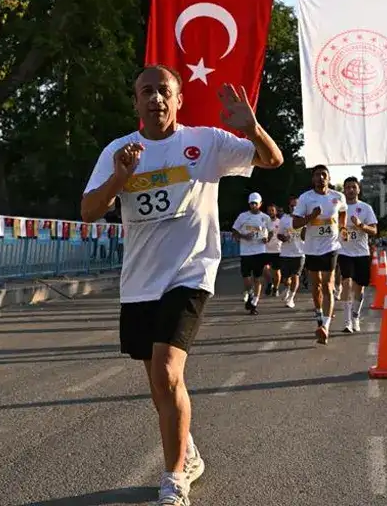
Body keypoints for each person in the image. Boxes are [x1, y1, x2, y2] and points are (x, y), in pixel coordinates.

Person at [80, 65, 283, 506]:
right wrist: (120, 178)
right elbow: (89, 211)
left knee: (168, 370)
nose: (155, 98)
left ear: (178, 99)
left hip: (190, 273)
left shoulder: (207, 142)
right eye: (146, 91)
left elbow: (271, 160)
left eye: (163, 91)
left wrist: (251, 128)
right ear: (135, 102)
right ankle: (187, 449)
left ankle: (173, 479)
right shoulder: (118, 150)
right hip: (140, 281)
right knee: (159, 382)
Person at [291, 164, 347, 343]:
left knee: (328, 284)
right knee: (316, 286)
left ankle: (326, 326)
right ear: (313, 179)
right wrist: (311, 216)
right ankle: (319, 314)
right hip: (311, 248)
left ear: (329, 178)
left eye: (324, 174)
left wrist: (342, 228)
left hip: (331, 246)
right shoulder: (305, 198)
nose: (320, 178)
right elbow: (295, 224)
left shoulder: (338, 197)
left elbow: (343, 212)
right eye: (317, 175)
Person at [337, 176, 379, 333]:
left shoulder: (365, 208)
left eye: (353, 187)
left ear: (358, 189)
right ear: (344, 190)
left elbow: (374, 231)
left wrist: (360, 225)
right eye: (347, 187)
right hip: (344, 251)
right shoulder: (339, 208)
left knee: (359, 288)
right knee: (347, 282)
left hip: (361, 252)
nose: (350, 190)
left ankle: (355, 315)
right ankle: (347, 321)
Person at [232, 192, 272, 315]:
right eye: (251, 203)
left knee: (257, 278)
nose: (253, 205)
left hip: (260, 251)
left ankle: (254, 303)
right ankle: (250, 294)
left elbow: (270, 231)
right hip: (246, 252)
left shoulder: (265, 217)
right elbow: (234, 230)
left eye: (255, 203)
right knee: (246, 278)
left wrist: (267, 239)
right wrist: (243, 236)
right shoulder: (243, 216)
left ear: (260, 204)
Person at [275, 195, 305, 308]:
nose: (294, 208)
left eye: (296, 206)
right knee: (285, 279)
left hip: (299, 253)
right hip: (286, 253)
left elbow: (305, 237)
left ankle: (291, 298)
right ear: (289, 207)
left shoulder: (304, 219)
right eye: (292, 206)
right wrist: (284, 238)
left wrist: (305, 229)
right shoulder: (285, 219)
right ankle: (287, 288)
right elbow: (279, 235)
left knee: (295, 276)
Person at [263, 203, 283, 297]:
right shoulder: (264, 222)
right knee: (264, 269)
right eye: (269, 210)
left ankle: (276, 288)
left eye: (272, 210)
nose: (270, 212)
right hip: (265, 249)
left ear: (276, 211)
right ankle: (270, 283)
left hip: (277, 250)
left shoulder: (280, 222)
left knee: (276, 272)